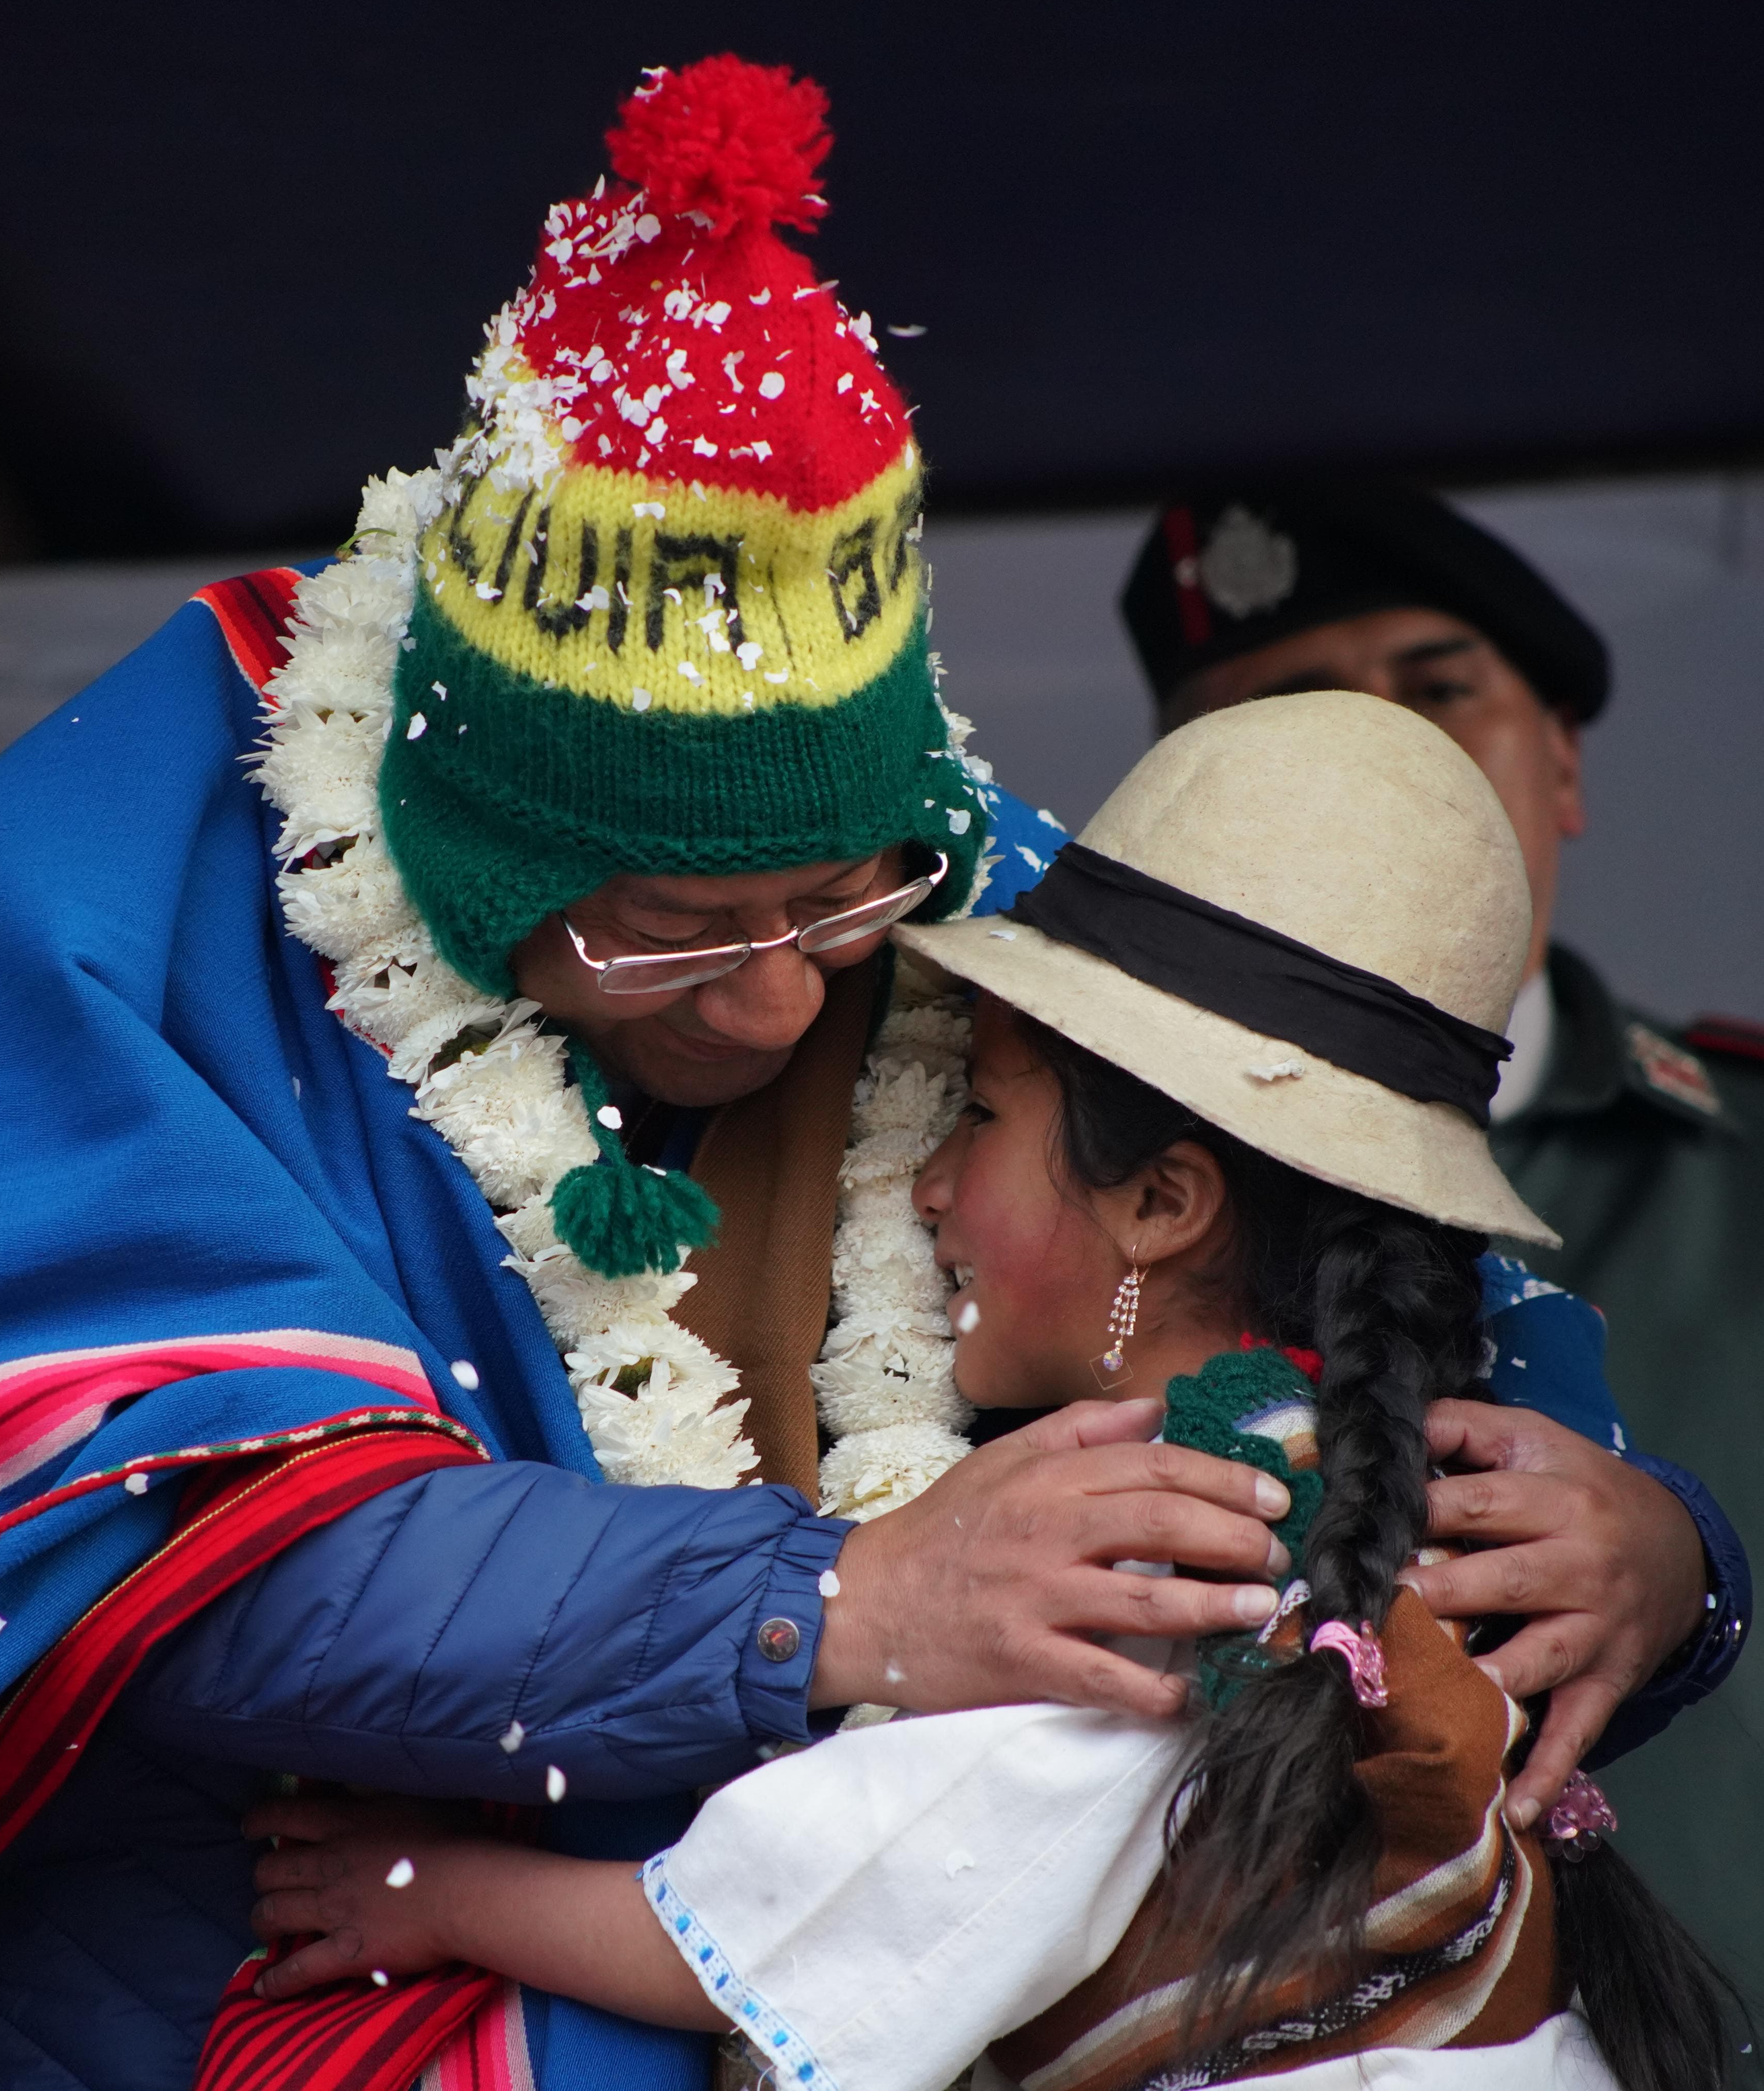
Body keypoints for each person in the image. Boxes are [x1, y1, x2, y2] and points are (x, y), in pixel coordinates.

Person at [0, 64, 1732, 2091]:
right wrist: (840, 1603)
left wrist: (1660, 1557)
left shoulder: (961, 886)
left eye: (839, 906)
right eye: (671, 929)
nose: (781, 1004)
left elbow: (1351, 1274)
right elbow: (154, 1547)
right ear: (473, 861)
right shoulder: (144, 893)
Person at [237, 694, 1736, 2091]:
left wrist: (433, 1894)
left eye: (982, 1115)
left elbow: (816, 1924)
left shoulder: (1173, 1556)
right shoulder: (1339, 1468)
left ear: (1161, 1204)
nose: (928, 1182)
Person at [1119, 479, 1760, 2004]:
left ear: (1564, 763)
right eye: (1296, 710)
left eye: (1438, 691)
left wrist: (1688, 1572)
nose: (1384, 755)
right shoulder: (1096, 1188)